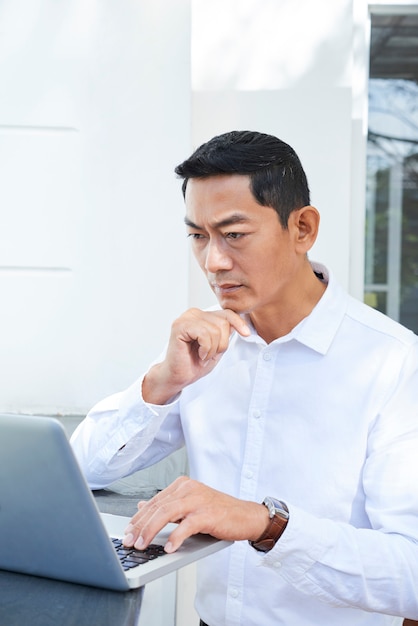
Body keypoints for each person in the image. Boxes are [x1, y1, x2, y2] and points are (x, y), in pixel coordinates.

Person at [71, 130, 418, 626]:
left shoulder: (395, 362)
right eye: (198, 236)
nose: (213, 261)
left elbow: (412, 575)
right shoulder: (204, 346)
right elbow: (85, 469)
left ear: (302, 229)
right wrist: (164, 382)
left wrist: (265, 523)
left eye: (234, 234)